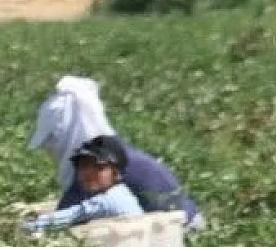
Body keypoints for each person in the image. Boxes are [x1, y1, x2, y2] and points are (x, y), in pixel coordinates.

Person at [28, 74, 203, 230]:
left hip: (179, 239)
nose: (49, 149)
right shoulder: (121, 157)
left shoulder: (95, 174)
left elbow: (62, 220)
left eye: (52, 141)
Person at [21, 135, 142, 232]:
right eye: (84, 166)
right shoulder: (122, 193)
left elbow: (62, 219)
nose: (88, 172)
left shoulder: (108, 201)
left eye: (99, 167)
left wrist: (21, 227)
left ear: (116, 173)